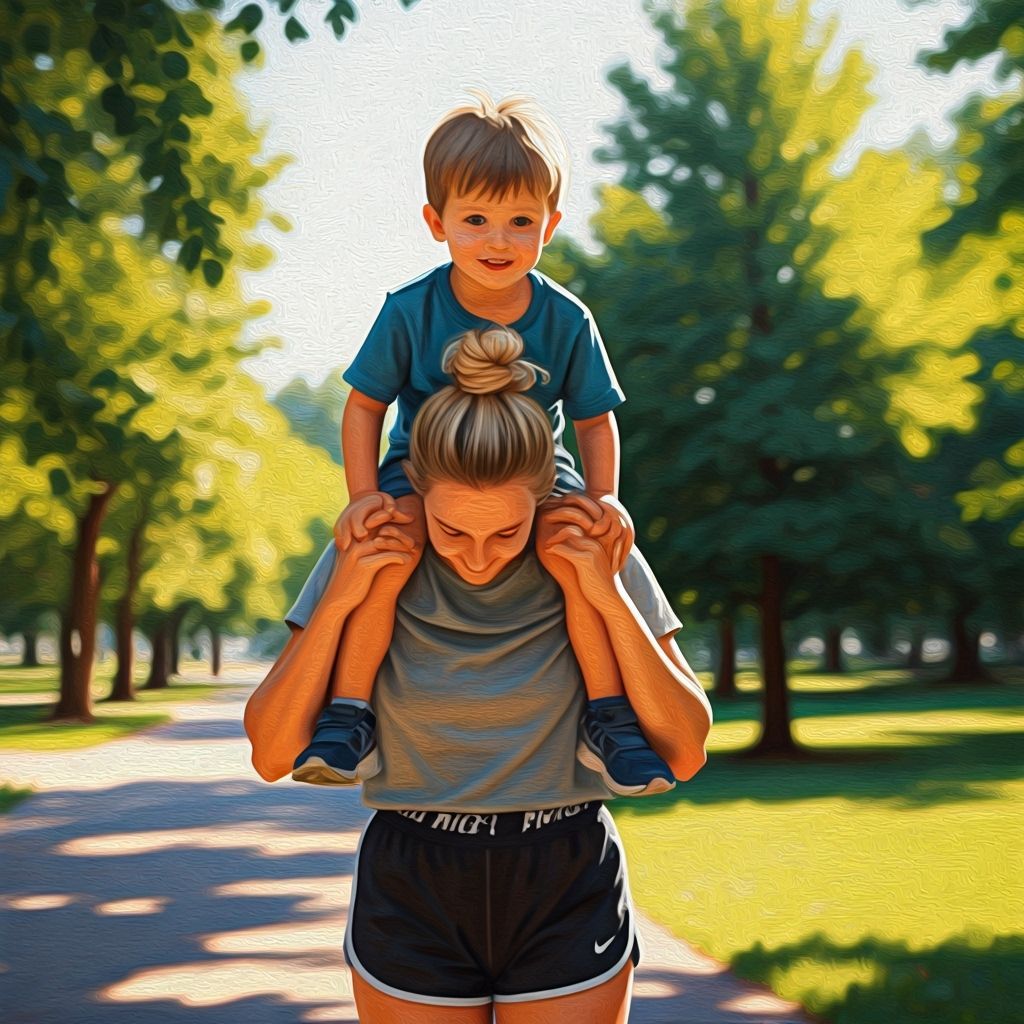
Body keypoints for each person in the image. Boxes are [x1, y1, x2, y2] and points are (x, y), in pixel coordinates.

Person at [244, 329, 713, 1022]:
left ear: (544, 497)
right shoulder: (374, 546)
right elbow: (272, 751)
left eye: (506, 533)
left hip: (566, 864)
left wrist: (604, 592)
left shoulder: (591, 541)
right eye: (453, 531)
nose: (477, 559)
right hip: (413, 871)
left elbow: (686, 748)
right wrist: (342, 595)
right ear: (419, 494)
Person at [290, 89, 677, 795]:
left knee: (574, 559)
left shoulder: (566, 316)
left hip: (539, 477)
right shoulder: (410, 309)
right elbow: (364, 406)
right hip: (423, 471)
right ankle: (349, 716)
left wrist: (604, 498)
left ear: (550, 225)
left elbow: (594, 418)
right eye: (475, 220)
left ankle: (610, 718)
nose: (498, 241)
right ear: (436, 222)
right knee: (389, 552)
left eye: (519, 221)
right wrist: (365, 497)